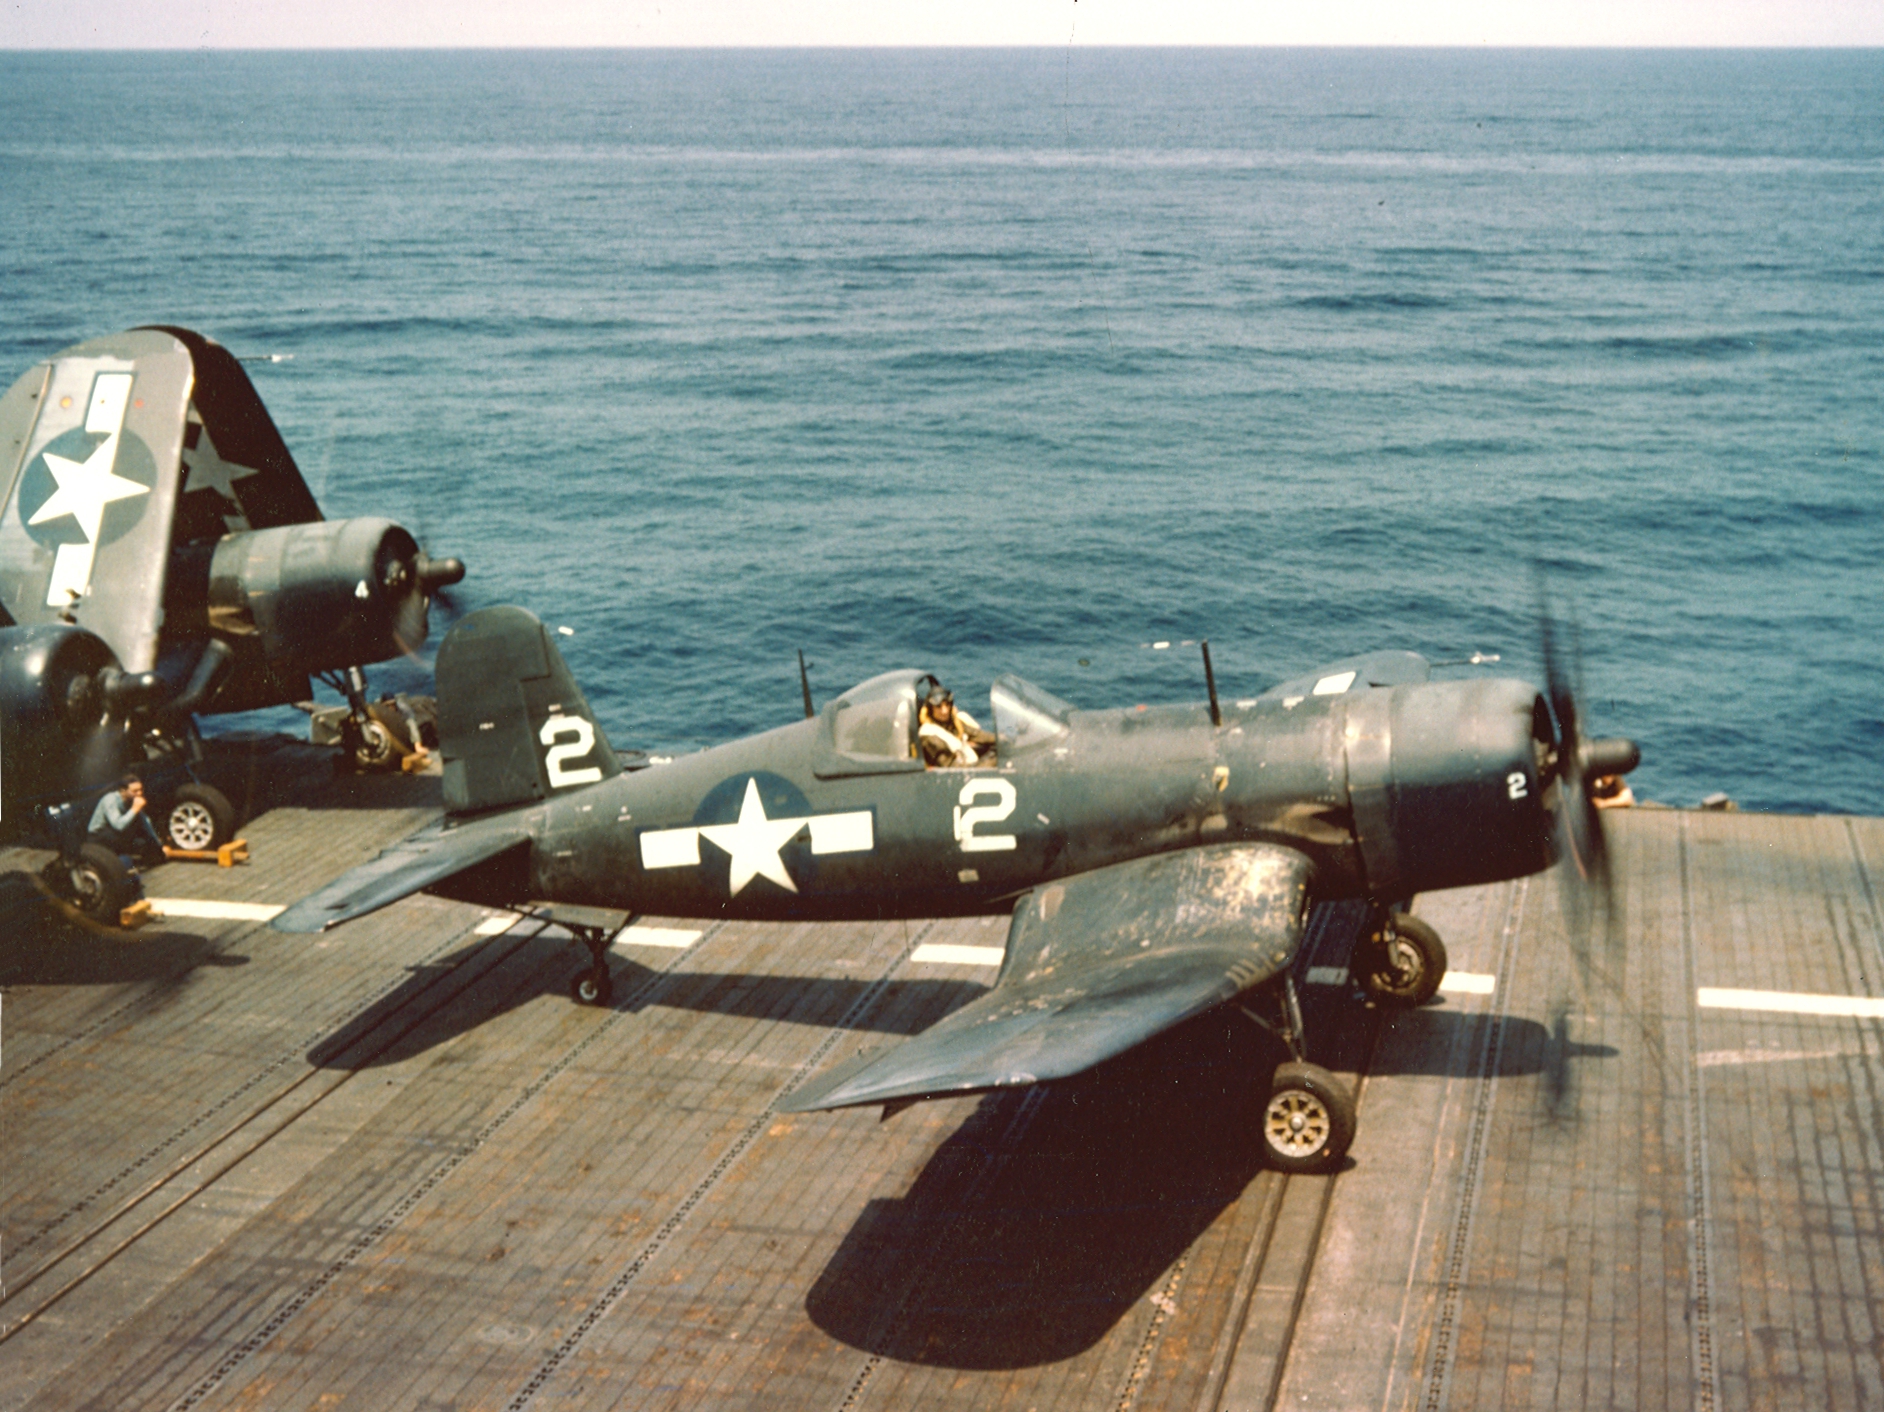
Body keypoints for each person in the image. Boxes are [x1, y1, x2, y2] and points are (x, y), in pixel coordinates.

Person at [919, 684, 996, 768]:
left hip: (969, 765)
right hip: (961, 773)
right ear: (931, 709)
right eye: (938, 707)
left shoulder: (951, 723)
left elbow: (977, 734)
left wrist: (1003, 739)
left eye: (947, 705)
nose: (945, 711)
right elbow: (951, 767)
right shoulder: (929, 736)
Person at [88, 774, 162, 859]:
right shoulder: (110, 800)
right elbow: (119, 826)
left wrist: (157, 844)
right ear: (123, 791)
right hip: (99, 836)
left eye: (141, 790)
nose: (139, 793)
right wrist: (135, 808)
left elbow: (146, 821)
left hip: (117, 833)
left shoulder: (132, 800)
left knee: (146, 842)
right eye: (135, 791)